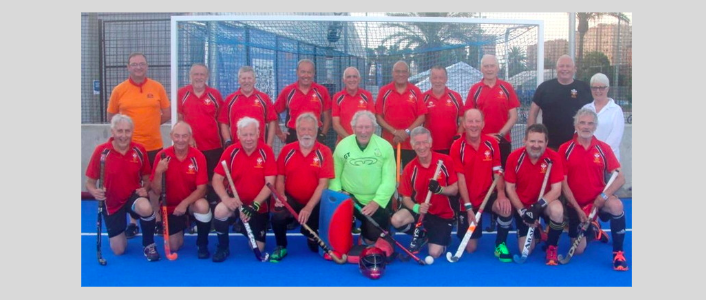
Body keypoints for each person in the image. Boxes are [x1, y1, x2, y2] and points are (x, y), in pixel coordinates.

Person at [107, 52, 171, 238]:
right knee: (132, 185)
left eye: (141, 64)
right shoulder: (119, 90)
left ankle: (157, 220)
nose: (138, 67)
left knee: (154, 185)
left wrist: (149, 126)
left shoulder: (157, 87)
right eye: (134, 64)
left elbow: (166, 113)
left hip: (153, 145)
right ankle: (133, 222)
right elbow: (112, 118)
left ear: (147, 66)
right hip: (128, 149)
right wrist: (126, 134)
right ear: (128, 67)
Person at [559, 108, 628, 271]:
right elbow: (563, 184)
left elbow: (620, 178)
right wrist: (577, 208)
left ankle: (618, 253)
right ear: (576, 125)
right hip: (577, 205)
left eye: (590, 123)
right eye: (582, 123)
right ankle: (594, 230)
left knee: (617, 206)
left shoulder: (603, 148)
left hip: (599, 200)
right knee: (577, 251)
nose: (586, 126)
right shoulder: (565, 149)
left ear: (595, 127)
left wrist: (603, 196)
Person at [85, 114, 160, 262]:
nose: (124, 136)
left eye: (127, 131)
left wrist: (145, 188)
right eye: (120, 131)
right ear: (113, 132)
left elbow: (147, 178)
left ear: (132, 132)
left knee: (146, 207)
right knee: (119, 250)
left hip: (132, 196)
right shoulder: (101, 152)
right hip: (111, 201)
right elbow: (90, 182)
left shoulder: (139, 150)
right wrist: (94, 192)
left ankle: (149, 244)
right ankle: (120, 232)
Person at [329, 110, 396, 256]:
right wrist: (340, 194)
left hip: (376, 202)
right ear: (353, 128)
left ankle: (367, 235)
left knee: (372, 238)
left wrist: (376, 202)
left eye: (367, 127)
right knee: (336, 238)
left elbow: (389, 180)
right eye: (360, 127)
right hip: (350, 200)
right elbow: (333, 175)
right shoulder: (342, 146)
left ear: (374, 128)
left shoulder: (385, 147)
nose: (363, 131)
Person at [211, 117, 276, 262]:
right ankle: (223, 247)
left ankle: (242, 225)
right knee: (220, 210)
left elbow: (270, 183)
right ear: (238, 134)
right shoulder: (231, 151)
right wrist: (226, 199)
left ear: (258, 133)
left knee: (258, 248)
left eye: (251, 134)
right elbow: (216, 179)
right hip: (235, 202)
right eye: (245, 135)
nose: (248, 139)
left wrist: (254, 205)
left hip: (257, 206)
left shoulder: (266, 152)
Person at [271, 113, 335, 262]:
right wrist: (281, 195)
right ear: (297, 131)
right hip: (292, 199)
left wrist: (308, 207)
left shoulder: (324, 152)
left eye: (310, 130)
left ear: (316, 131)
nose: (306, 133)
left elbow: (323, 184)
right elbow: (280, 178)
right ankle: (281, 246)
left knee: (314, 248)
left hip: (315, 202)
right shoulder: (287, 150)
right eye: (303, 129)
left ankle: (308, 230)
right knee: (277, 217)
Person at [450, 109, 510, 262]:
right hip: (467, 199)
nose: (474, 125)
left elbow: (497, 172)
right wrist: (469, 207)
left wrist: (501, 194)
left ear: (483, 124)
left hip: (488, 195)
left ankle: (500, 244)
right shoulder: (457, 146)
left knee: (505, 207)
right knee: (470, 248)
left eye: (477, 121)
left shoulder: (492, 144)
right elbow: (460, 179)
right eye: (470, 121)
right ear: (463, 124)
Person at [390, 127, 458, 259]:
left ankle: (441, 237)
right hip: (420, 211)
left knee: (434, 253)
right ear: (412, 146)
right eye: (417, 143)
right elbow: (406, 198)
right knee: (396, 220)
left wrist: (440, 190)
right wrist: (417, 208)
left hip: (442, 214)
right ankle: (423, 235)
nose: (421, 147)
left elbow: (455, 189)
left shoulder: (445, 161)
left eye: (424, 142)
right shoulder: (410, 168)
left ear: (431, 143)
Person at [503, 124, 565, 265]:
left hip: (544, 203)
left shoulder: (553, 157)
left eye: (540, 142)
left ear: (546, 142)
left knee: (557, 210)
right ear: (525, 141)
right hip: (524, 205)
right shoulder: (514, 157)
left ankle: (552, 247)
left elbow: (556, 190)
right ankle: (537, 232)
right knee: (526, 250)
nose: (536, 145)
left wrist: (537, 207)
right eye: (532, 141)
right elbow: (510, 188)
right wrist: (523, 211)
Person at [150, 121, 212, 259]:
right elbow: (156, 190)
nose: (180, 140)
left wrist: (184, 204)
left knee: (202, 205)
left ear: (190, 137)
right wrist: (159, 172)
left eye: (184, 136)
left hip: (189, 204)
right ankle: (184, 224)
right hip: (171, 207)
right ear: (171, 136)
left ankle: (202, 244)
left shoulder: (198, 156)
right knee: (174, 246)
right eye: (177, 136)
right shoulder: (162, 156)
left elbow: (202, 189)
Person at [177, 63, 225, 207]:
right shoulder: (182, 93)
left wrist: (226, 140)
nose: (198, 77)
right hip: (189, 147)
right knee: (192, 180)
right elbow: (180, 118)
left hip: (213, 146)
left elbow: (221, 120)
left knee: (212, 180)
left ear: (207, 76)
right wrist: (189, 138)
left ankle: (213, 210)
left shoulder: (214, 94)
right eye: (195, 74)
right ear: (190, 76)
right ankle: (192, 212)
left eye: (202, 74)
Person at [463, 54, 520, 170]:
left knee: (501, 176)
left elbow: (513, 116)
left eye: (492, 66)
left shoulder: (506, 87)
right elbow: (468, 119)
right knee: (482, 176)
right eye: (486, 66)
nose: (489, 69)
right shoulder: (475, 89)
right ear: (481, 68)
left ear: (498, 68)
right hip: (480, 141)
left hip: (503, 141)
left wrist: (499, 135)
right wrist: (484, 136)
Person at [528, 55, 592, 150]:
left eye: (568, 66)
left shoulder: (584, 88)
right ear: (556, 68)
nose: (564, 69)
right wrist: (531, 136)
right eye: (561, 66)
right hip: (550, 145)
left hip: (577, 145)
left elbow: (594, 114)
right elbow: (533, 113)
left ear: (574, 69)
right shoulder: (544, 88)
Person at [375, 60, 427, 169]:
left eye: (404, 72)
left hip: (411, 143)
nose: (401, 74)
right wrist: (394, 132)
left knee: (410, 176)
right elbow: (378, 117)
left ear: (408, 73)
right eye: (398, 71)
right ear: (393, 73)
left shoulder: (416, 91)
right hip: (389, 143)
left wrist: (406, 132)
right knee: (389, 176)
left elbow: (422, 116)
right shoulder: (384, 91)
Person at [274, 59, 331, 144]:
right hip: (293, 136)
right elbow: (273, 112)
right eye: (303, 72)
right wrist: (279, 134)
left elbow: (327, 117)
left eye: (309, 72)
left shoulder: (322, 91)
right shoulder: (288, 91)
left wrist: (323, 135)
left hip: (315, 135)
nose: (306, 75)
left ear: (314, 73)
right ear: (297, 72)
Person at [220, 66, 278, 148]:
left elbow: (272, 121)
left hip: (260, 147)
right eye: (243, 78)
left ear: (254, 80)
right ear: (239, 80)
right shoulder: (230, 100)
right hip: (237, 147)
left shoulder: (264, 98)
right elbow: (223, 123)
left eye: (249, 78)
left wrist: (269, 144)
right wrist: (228, 141)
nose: (246, 81)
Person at [582, 72, 625, 161]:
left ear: (607, 89)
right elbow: (578, 133)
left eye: (601, 87)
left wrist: (598, 154)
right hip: (587, 159)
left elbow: (614, 139)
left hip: (608, 161)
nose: (598, 91)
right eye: (594, 88)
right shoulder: (585, 109)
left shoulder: (616, 110)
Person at [422, 66, 464, 155]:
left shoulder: (456, 97)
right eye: (435, 77)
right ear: (430, 79)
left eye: (441, 78)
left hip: (452, 146)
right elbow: (419, 121)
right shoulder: (423, 98)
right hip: (429, 147)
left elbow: (462, 120)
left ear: (446, 79)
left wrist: (458, 136)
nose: (438, 81)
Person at [331, 67, 375, 145]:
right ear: (344, 80)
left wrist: (361, 140)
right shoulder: (337, 97)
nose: (352, 80)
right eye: (349, 77)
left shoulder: (367, 96)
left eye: (354, 77)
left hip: (364, 143)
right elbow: (336, 124)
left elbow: (371, 121)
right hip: (344, 142)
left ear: (359, 79)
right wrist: (351, 141)